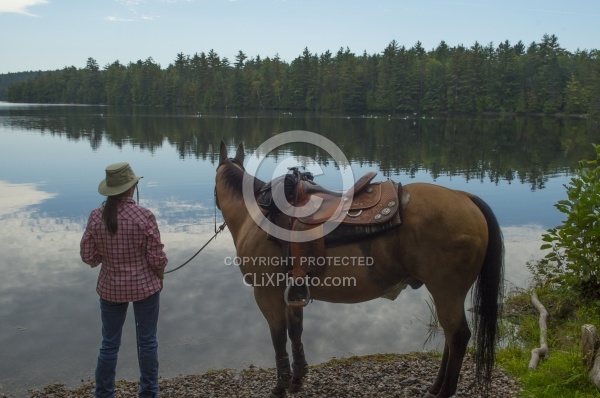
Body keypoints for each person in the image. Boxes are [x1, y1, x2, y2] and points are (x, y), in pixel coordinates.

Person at [80, 162, 168, 398]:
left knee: (109, 345)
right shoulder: (144, 216)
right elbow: (157, 258)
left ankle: (104, 394)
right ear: (131, 188)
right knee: (147, 342)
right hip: (144, 287)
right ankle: (149, 393)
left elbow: (88, 256)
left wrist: (107, 256)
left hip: (110, 289)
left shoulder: (96, 216)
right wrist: (159, 278)